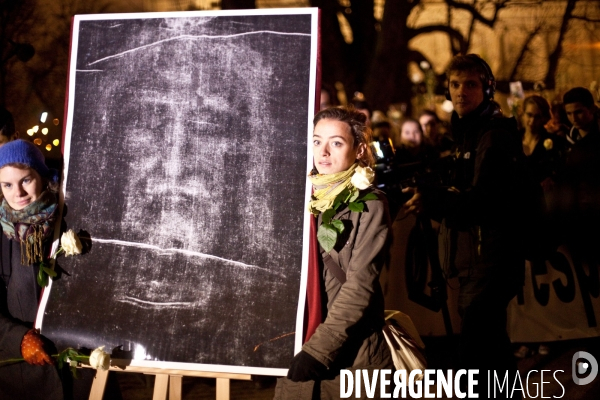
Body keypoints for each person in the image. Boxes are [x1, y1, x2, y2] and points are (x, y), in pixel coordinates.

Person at [404, 54, 527, 398]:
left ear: (487, 88)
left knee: (478, 353)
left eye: (470, 84)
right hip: (480, 258)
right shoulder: (471, 132)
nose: (461, 92)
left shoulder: (493, 136)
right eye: (455, 84)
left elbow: (484, 202)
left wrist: (435, 200)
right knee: (492, 352)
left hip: (491, 257)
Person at [274, 106, 393, 399]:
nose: (323, 152)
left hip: (352, 359)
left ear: (359, 148)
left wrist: (317, 352)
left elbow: (359, 287)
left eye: (336, 143)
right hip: (300, 347)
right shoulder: (298, 196)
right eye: (317, 141)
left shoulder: (370, 204)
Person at [0, 139, 63, 399]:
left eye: (26, 180)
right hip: (23, 377)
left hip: (82, 374)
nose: (18, 193)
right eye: (7, 184)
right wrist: (19, 339)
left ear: (42, 176)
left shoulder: (68, 222)